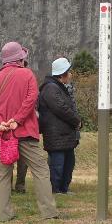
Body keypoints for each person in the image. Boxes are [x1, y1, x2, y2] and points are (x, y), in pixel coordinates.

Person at [0, 41, 58, 221]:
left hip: (2, 134)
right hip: (24, 131)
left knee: (3, 175)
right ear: (20, 58)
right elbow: (31, 99)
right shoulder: (27, 74)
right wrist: (17, 120)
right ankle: (48, 212)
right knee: (40, 170)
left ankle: (4, 214)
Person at [38, 58, 81, 194]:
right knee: (58, 165)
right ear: (62, 73)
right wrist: (77, 120)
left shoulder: (58, 87)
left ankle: (64, 188)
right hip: (56, 134)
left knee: (69, 163)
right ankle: (56, 190)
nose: (71, 74)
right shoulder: (50, 87)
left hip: (65, 134)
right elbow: (61, 108)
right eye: (69, 72)